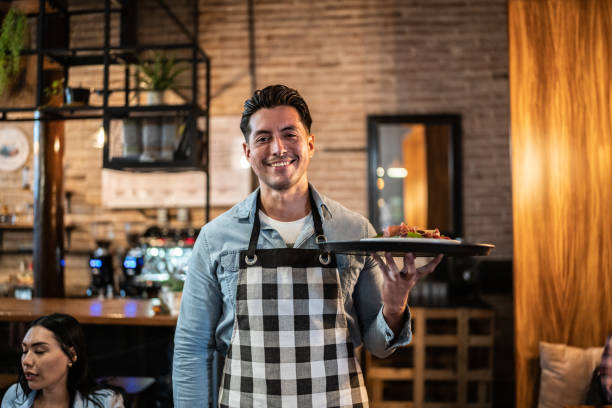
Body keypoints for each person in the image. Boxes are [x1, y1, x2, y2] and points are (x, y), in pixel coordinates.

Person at [173, 84, 443, 407]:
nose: (278, 147)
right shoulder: (215, 238)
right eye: (263, 138)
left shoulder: (355, 231)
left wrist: (395, 307)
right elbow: (192, 348)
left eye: (290, 134)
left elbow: (378, 346)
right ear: (247, 152)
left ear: (310, 144)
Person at [1, 313, 124, 408]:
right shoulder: (15, 396)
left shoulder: (106, 403)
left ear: (71, 355)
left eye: (39, 351)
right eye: (25, 351)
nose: (26, 361)